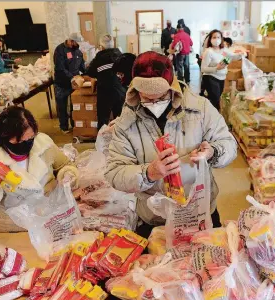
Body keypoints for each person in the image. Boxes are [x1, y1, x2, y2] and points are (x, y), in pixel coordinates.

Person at [105, 52, 237, 238]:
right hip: (154, 219)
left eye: (159, 98)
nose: (153, 103)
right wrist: (148, 173)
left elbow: (229, 145)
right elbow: (114, 172)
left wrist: (213, 152)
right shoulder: (126, 123)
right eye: (147, 98)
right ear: (136, 92)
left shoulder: (200, 109)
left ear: (172, 89)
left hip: (200, 212)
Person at [0, 106, 79, 232]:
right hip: (11, 227)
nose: (27, 143)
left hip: (49, 218)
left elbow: (64, 165)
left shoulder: (43, 144)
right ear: (4, 139)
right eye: (20, 141)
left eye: (30, 138)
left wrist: (67, 174)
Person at [87, 34, 125, 130]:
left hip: (105, 92)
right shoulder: (120, 55)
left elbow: (90, 72)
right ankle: (120, 141)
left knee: (103, 119)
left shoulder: (99, 58)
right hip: (120, 92)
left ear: (101, 46)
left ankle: (102, 141)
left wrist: (100, 74)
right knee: (119, 119)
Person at [53, 32, 86, 134]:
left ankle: (74, 124)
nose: (78, 44)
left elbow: (82, 65)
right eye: (76, 42)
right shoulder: (59, 50)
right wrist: (71, 77)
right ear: (71, 41)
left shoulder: (78, 51)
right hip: (61, 83)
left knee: (74, 105)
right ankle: (64, 127)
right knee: (62, 106)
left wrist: (87, 74)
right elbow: (59, 68)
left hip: (74, 83)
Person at [201, 30, 241, 111]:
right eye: (214, 37)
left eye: (218, 37)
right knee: (215, 101)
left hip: (221, 78)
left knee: (216, 100)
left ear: (221, 39)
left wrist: (242, 54)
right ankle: (214, 120)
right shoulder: (209, 52)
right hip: (210, 78)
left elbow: (233, 57)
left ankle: (212, 117)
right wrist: (216, 68)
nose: (216, 39)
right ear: (210, 39)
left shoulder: (223, 51)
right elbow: (203, 68)